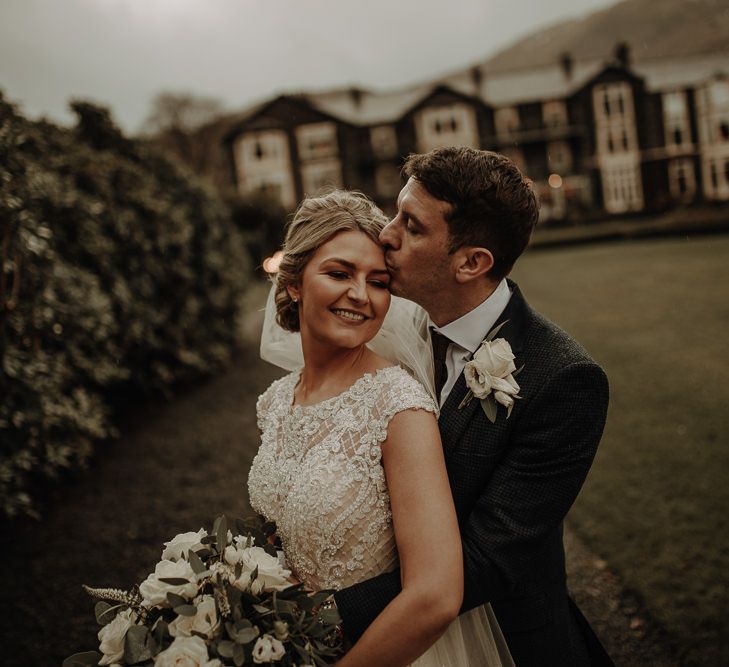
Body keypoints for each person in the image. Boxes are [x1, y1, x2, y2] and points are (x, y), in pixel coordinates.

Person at [331, 147, 614, 666]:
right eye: (395, 213)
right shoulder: (383, 330)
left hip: (496, 640)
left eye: (412, 227)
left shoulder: (565, 380)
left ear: (471, 262)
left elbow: (489, 557)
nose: (386, 235)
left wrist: (327, 614)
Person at [248, 189, 514, 666]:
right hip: (296, 645)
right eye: (338, 273)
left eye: (378, 282)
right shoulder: (275, 402)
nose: (360, 296)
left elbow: (434, 595)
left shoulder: (398, 407)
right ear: (294, 283)